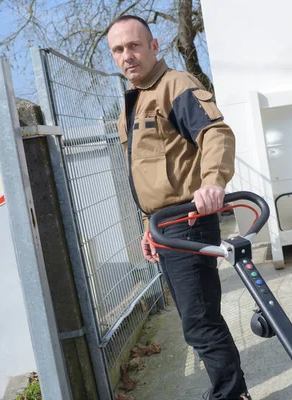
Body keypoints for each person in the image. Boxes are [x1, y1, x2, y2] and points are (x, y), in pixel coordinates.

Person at [107, 15, 251, 400]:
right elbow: (144, 174)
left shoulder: (176, 86)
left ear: (155, 47)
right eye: (119, 50)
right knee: (195, 319)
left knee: (200, 320)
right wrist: (146, 227)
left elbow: (216, 134)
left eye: (135, 45)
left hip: (188, 220)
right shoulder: (131, 106)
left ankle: (231, 395)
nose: (128, 55)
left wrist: (212, 183)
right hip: (163, 226)